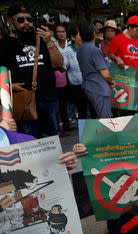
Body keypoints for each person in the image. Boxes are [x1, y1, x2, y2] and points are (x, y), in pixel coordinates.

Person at [6, 4, 64, 138]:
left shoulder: (43, 39)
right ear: (11, 21)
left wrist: (49, 42)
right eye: (20, 20)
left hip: (48, 99)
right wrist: (9, 85)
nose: (26, 23)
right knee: (29, 141)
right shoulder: (6, 44)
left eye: (29, 19)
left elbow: (59, 64)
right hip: (24, 101)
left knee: (52, 140)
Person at [108, 15, 138, 114]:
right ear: (130, 27)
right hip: (123, 77)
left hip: (137, 76)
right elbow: (110, 54)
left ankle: (137, 125)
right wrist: (117, 58)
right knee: (125, 105)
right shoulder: (118, 39)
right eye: (137, 30)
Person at [77, 21, 115, 118]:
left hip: (87, 86)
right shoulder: (94, 50)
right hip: (99, 88)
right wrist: (111, 82)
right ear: (94, 33)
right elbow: (105, 74)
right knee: (105, 119)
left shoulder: (80, 49)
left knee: (95, 117)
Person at [65, 25, 92, 120]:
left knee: (93, 112)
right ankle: (84, 133)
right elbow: (63, 68)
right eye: (80, 35)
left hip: (91, 85)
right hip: (78, 88)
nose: (83, 37)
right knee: (82, 113)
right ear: (73, 37)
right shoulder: (67, 52)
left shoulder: (89, 48)